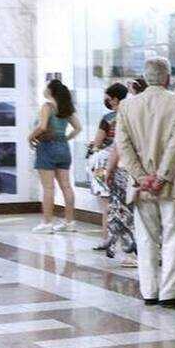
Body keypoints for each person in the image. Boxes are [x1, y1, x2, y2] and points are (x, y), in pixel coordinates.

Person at [114, 58, 175, 307]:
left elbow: (123, 144)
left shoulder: (127, 105)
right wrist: (161, 176)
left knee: (146, 237)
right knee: (173, 236)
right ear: (168, 78)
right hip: (173, 182)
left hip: (141, 185)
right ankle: (170, 291)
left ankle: (149, 291)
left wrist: (142, 177)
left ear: (145, 77)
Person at [87, 82, 137, 264]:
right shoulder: (133, 114)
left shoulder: (108, 118)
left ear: (115, 99)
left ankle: (108, 239)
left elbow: (98, 143)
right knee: (122, 205)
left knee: (106, 202)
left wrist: (94, 146)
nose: (106, 101)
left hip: (105, 163)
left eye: (108, 97)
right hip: (127, 165)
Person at [30, 80, 82, 233]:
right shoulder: (66, 107)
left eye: (46, 86)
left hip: (47, 147)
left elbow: (42, 127)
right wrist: (65, 138)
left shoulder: (47, 106)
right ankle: (69, 222)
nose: (44, 89)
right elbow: (78, 128)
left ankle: (47, 223)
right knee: (66, 186)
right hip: (63, 148)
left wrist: (30, 137)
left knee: (48, 187)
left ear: (50, 90)